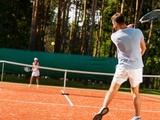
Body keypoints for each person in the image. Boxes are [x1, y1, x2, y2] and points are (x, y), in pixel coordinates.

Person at [93, 13, 146, 120]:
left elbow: (124, 33)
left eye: (113, 23)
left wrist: (128, 29)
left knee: (112, 89)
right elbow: (143, 49)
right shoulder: (138, 32)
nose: (113, 25)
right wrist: (137, 57)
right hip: (136, 67)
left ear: (116, 23)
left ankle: (103, 107)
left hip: (122, 67)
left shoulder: (114, 36)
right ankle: (137, 116)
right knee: (135, 92)